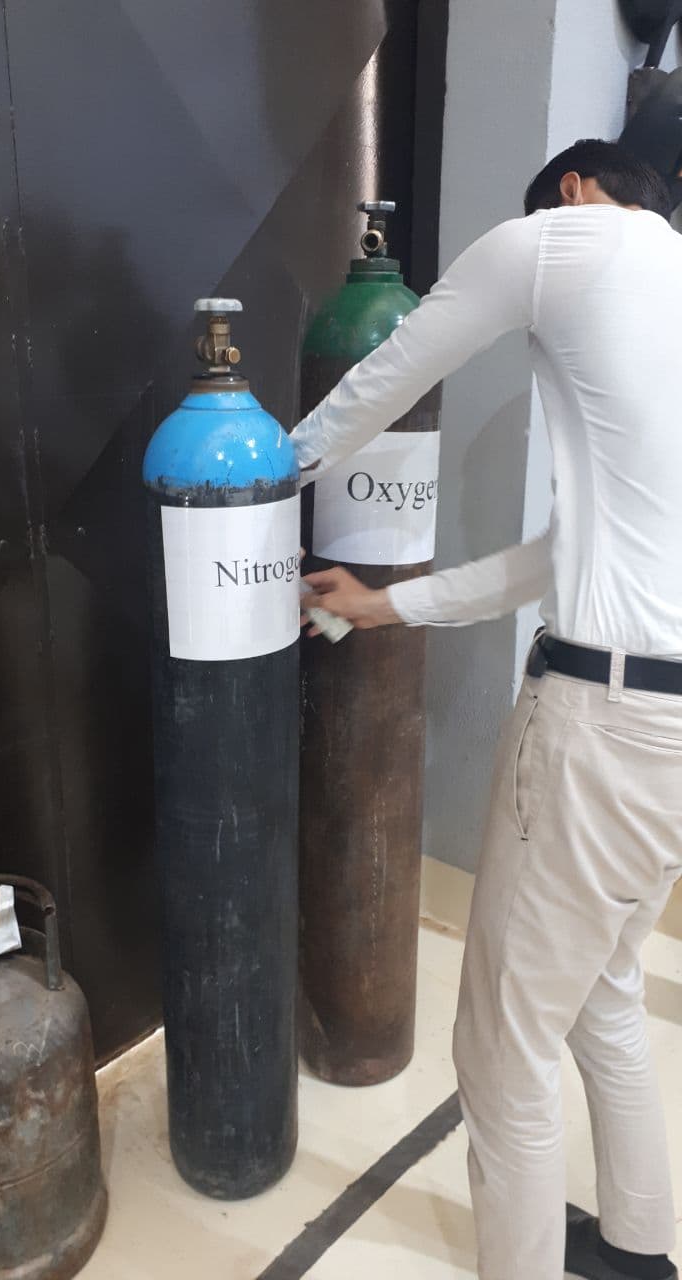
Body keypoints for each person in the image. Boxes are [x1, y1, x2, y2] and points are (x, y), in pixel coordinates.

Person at [290, 140, 681, 1280]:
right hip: (668, 735)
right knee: (605, 994)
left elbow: (386, 375)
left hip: (604, 729)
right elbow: (557, 557)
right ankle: (638, 1250)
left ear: (573, 188)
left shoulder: (553, 239)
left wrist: (258, 481)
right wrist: (387, 604)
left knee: (503, 1051)